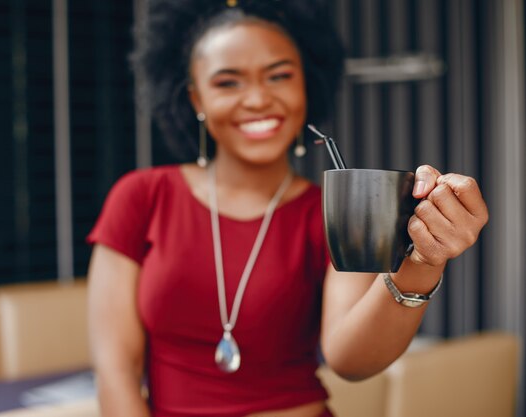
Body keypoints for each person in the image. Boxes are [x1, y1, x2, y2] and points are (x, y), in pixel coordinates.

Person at [86, 1, 489, 416]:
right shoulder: (141, 197)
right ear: (195, 98)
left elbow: (349, 359)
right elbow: (116, 369)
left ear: (306, 86)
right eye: (228, 83)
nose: (259, 98)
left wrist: (422, 262)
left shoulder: (329, 211)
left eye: (279, 76)